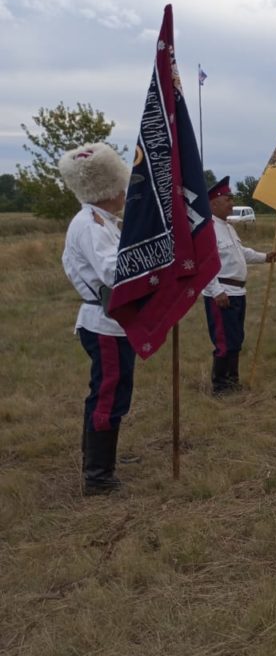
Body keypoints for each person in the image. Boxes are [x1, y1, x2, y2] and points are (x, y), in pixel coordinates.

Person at [59, 143, 135, 495]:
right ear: (109, 186)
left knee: (109, 392)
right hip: (103, 322)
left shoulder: (102, 221)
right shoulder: (91, 224)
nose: (124, 192)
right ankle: (98, 474)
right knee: (108, 394)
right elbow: (111, 270)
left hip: (111, 320)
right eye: (121, 185)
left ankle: (99, 456)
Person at [202, 178, 276, 394]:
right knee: (224, 341)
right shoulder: (208, 229)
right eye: (228, 199)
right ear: (214, 202)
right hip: (222, 293)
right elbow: (203, 264)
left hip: (238, 292)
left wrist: (265, 257)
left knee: (236, 338)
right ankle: (220, 386)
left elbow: (241, 253)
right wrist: (216, 290)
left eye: (232, 199)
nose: (232, 203)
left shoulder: (228, 227)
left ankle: (233, 381)